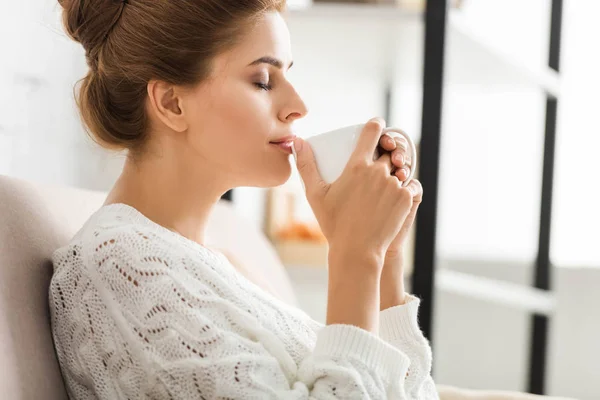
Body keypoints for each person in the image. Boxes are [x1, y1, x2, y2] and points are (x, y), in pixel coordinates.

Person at [49, 0, 436, 398]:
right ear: (171, 103)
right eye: (264, 81)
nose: (298, 107)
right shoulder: (119, 268)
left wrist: (384, 262)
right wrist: (356, 257)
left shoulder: (228, 265)